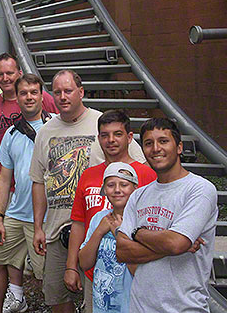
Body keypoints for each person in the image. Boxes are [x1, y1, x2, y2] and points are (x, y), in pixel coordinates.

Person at [30, 70, 146, 313]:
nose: (62, 96)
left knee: (107, 298)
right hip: (60, 228)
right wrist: (38, 226)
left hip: (110, 232)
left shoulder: (104, 123)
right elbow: (39, 181)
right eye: (57, 92)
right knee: (57, 294)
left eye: (68, 90)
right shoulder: (45, 132)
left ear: (81, 92)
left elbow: (139, 171)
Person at [115, 118, 218, 313]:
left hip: (185, 307)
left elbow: (176, 243)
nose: (155, 148)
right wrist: (172, 245)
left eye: (163, 141)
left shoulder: (200, 189)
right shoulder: (138, 195)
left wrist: (138, 233)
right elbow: (122, 252)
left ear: (179, 147)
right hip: (140, 307)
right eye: (148, 143)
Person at [67, 110, 156, 312]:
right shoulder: (88, 175)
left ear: (129, 137)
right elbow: (79, 223)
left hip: (134, 281)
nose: (111, 140)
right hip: (97, 278)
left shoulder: (147, 175)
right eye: (105, 135)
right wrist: (71, 266)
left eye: (117, 134)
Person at [0, 74, 52, 313]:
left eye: (34, 92)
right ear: (17, 97)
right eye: (23, 93)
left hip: (47, 217)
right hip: (16, 213)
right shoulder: (11, 134)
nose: (29, 97)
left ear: (42, 96)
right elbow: (4, 179)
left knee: (46, 272)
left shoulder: (54, 127)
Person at [0, 53, 58, 211]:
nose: (5, 78)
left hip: (41, 183)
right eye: (0, 74)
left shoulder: (42, 98)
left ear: (19, 73)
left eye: (10, 73)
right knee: (6, 230)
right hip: (6, 185)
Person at [78, 162, 140, 313]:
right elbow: (84, 263)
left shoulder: (141, 220)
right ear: (104, 190)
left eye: (124, 184)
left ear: (135, 189)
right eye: (111, 185)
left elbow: (140, 272)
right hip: (101, 306)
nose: (117, 190)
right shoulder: (99, 218)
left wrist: (118, 234)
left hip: (131, 306)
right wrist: (99, 232)